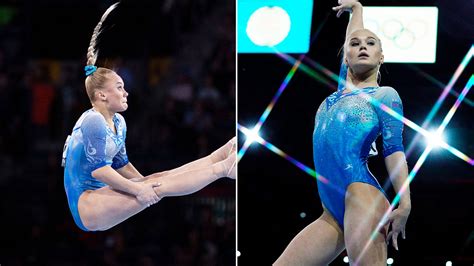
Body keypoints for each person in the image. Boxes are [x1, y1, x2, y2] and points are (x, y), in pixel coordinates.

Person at [62, 2, 236, 232]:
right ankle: (224, 168)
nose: (126, 93)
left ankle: (219, 155)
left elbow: (121, 164)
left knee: (158, 179)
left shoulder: (118, 122)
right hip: (87, 205)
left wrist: (144, 182)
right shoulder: (92, 120)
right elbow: (100, 171)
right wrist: (140, 189)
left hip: (101, 194)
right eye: (119, 87)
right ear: (102, 94)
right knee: (159, 186)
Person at [274, 0, 411, 265]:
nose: (362, 46)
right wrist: (357, 10)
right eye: (355, 44)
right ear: (345, 56)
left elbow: (394, 150)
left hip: (362, 197)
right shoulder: (338, 94)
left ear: (382, 57)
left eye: (371, 44)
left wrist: (404, 203)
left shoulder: (385, 95)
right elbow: (354, 34)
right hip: (331, 212)